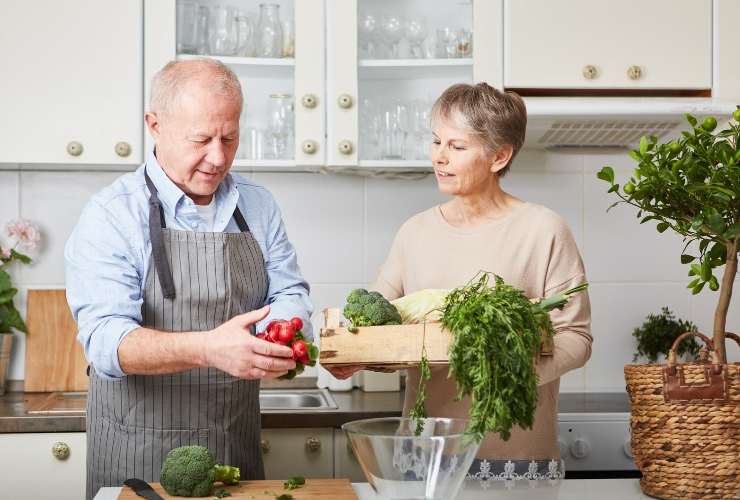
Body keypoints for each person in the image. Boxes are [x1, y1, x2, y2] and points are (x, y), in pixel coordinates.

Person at [65, 59, 313, 499]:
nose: (218, 157)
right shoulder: (111, 215)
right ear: (155, 125)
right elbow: (106, 340)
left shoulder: (258, 206)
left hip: (233, 452)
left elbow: (288, 291)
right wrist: (207, 348)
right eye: (200, 139)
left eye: (230, 137)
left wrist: (286, 336)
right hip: (136, 457)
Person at [331, 82, 591, 481]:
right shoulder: (414, 232)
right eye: (436, 141)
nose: (439, 157)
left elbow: (576, 336)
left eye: (457, 146)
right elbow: (377, 327)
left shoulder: (543, 229)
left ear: (499, 156)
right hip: (425, 452)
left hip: (516, 453)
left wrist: (509, 375)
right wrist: (353, 356)